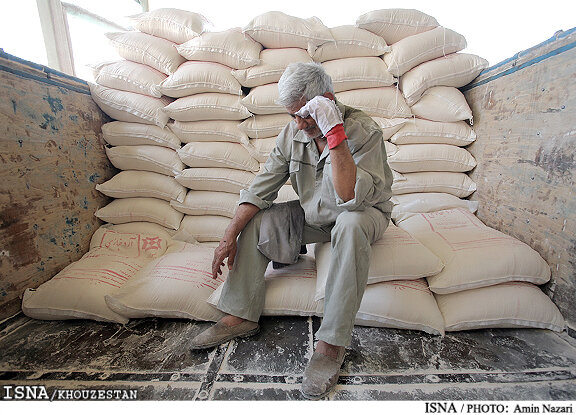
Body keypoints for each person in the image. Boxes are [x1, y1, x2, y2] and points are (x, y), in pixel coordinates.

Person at [189, 62, 393, 400]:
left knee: (351, 223)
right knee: (255, 219)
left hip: (361, 212)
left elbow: (348, 197)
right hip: (315, 215)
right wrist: (229, 235)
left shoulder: (363, 130)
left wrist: (334, 133)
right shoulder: (294, 132)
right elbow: (261, 188)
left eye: (306, 116)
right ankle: (240, 314)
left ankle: (331, 345)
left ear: (326, 100)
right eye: (293, 116)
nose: (299, 124)